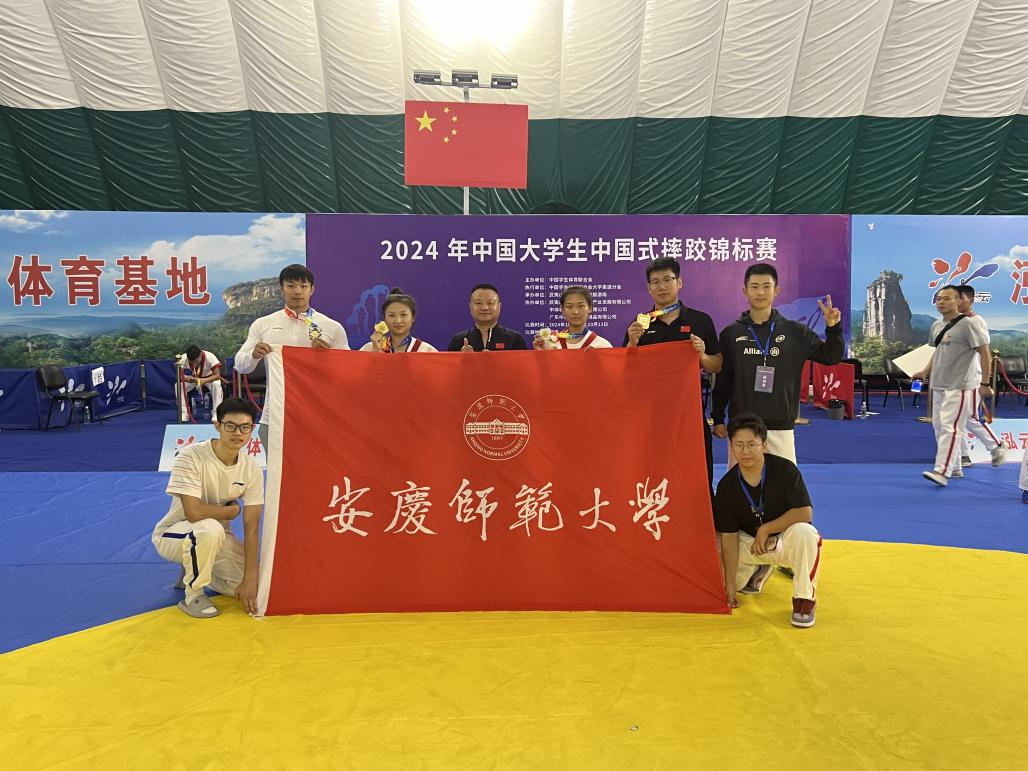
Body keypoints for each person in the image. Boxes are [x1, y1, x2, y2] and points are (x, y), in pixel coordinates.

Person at [711, 264, 843, 466]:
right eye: (754, 286)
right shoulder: (731, 333)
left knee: (783, 484)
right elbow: (724, 380)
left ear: (776, 290)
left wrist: (833, 329)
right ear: (745, 291)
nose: (760, 292)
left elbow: (831, 357)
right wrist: (719, 418)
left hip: (781, 426)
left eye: (766, 286)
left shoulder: (796, 332)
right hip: (742, 427)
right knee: (741, 484)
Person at [152, 398, 264, 619]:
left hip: (218, 538)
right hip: (174, 533)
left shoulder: (252, 469)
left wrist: (250, 578)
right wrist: (230, 512)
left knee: (257, 586)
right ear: (217, 425)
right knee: (209, 528)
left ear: (252, 429)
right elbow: (193, 513)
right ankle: (193, 593)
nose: (238, 433)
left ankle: (196, 564)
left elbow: (252, 527)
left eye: (245, 427)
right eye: (230, 426)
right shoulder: (191, 456)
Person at [714, 413, 822, 628]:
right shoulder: (726, 486)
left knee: (806, 533)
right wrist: (730, 585)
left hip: (783, 541)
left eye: (751, 445)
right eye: (739, 445)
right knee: (718, 549)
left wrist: (766, 529)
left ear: (764, 445)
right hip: (751, 546)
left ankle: (804, 599)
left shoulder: (785, 470)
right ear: (731, 447)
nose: (745, 452)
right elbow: (729, 536)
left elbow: (804, 513)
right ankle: (758, 570)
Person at [623, 256, 721, 487]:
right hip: (651, 415)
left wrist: (702, 356)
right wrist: (632, 345)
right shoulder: (639, 324)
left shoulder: (700, 320)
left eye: (668, 280)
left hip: (689, 413)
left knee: (697, 472)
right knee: (653, 473)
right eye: (655, 282)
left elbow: (716, 364)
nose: (662, 286)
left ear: (679, 282)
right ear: (649, 288)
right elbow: (626, 372)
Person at [234, 264, 348, 447]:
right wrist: (254, 355)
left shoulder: (331, 327)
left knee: (315, 465)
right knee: (276, 467)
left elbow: (348, 372)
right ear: (281, 289)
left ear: (312, 289)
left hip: (319, 415)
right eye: (291, 286)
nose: (297, 291)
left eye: (303, 286)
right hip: (275, 415)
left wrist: (330, 357)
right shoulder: (263, 324)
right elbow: (240, 365)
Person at [914, 285, 1002, 486]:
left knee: (951, 426)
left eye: (947, 298)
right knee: (940, 426)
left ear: (958, 301)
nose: (941, 302)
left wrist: (985, 383)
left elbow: (984, 352)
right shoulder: (936, 326)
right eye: (938, 298)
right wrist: (925, 371)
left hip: (961, 384)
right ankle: (958, 465)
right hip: (939, 383)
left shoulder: (970, 324)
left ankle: (941, 471)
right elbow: (938, 352)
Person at [955, 285, 1005, 471]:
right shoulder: (953, 322)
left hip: (972, 378)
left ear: (971, 300)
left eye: (960, 298)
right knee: (953, 418)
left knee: (968, 417)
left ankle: (996, 445)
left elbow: (985, 353)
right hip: (954, 378)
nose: (956, 302)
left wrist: (985, 382)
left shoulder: (976, 322)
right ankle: (963, 455)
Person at [447, 284, 528, 352]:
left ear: (499, 307)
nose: (484, 308)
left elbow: (524, 365)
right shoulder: (458, 341)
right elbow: (449, 366)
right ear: (470, 307)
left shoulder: (515, 339)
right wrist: (462, 359)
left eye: (490, 303)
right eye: (478, 303)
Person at [532, 285, 613, 350]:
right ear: (562, 309)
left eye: (581, 306)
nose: (575, 312)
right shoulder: (550, 343)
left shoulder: (602, 346)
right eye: (569, 307)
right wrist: (541, 354)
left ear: (590, 308)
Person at [360, 288, 438, 352]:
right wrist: (374, 352)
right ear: (384, 319)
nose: (398, 321)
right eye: (392, 315)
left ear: (413, 317)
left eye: (403, 315)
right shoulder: (369, 348)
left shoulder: (427, 351)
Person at [178, 345, 224, 423]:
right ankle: (184, 413)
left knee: (216, 384)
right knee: (178, 386)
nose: (194, 364)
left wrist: (204, 380)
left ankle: (216, 413)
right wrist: (187, 378)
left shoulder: (210, 357)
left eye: (196, 361)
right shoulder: (183, 359)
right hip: (195, 380)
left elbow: (217, 375)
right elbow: (179, 375)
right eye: (191, 362)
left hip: (209, 378)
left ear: (200, 354)